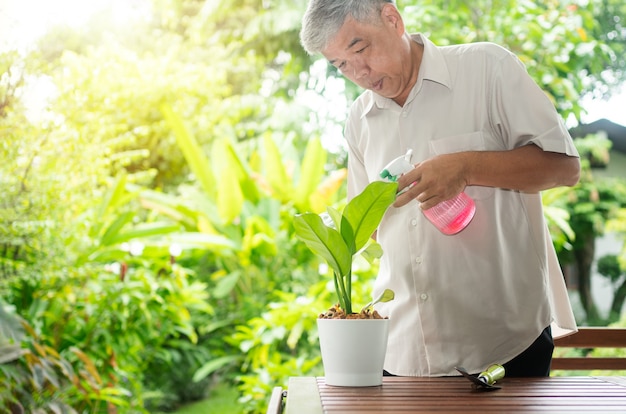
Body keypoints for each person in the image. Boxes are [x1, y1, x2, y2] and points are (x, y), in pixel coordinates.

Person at [300, 0, 581, 377]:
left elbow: (564, 167)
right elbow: (363, 230)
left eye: (360, 49)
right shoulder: (359, 120)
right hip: (400, 352)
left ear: (392, 18)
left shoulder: (487, 69)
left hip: (504, 345)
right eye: (341, 65)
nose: (359, 73)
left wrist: (466, 167)